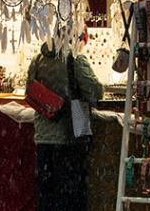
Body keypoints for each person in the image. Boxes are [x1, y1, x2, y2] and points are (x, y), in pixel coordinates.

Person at [26, 42, 102, 211]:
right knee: (70, 196)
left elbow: (29, 90)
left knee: (47, 194)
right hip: (70, 136)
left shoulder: (37, 60)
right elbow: (95, 92)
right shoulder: (75, 58)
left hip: (43, 138)